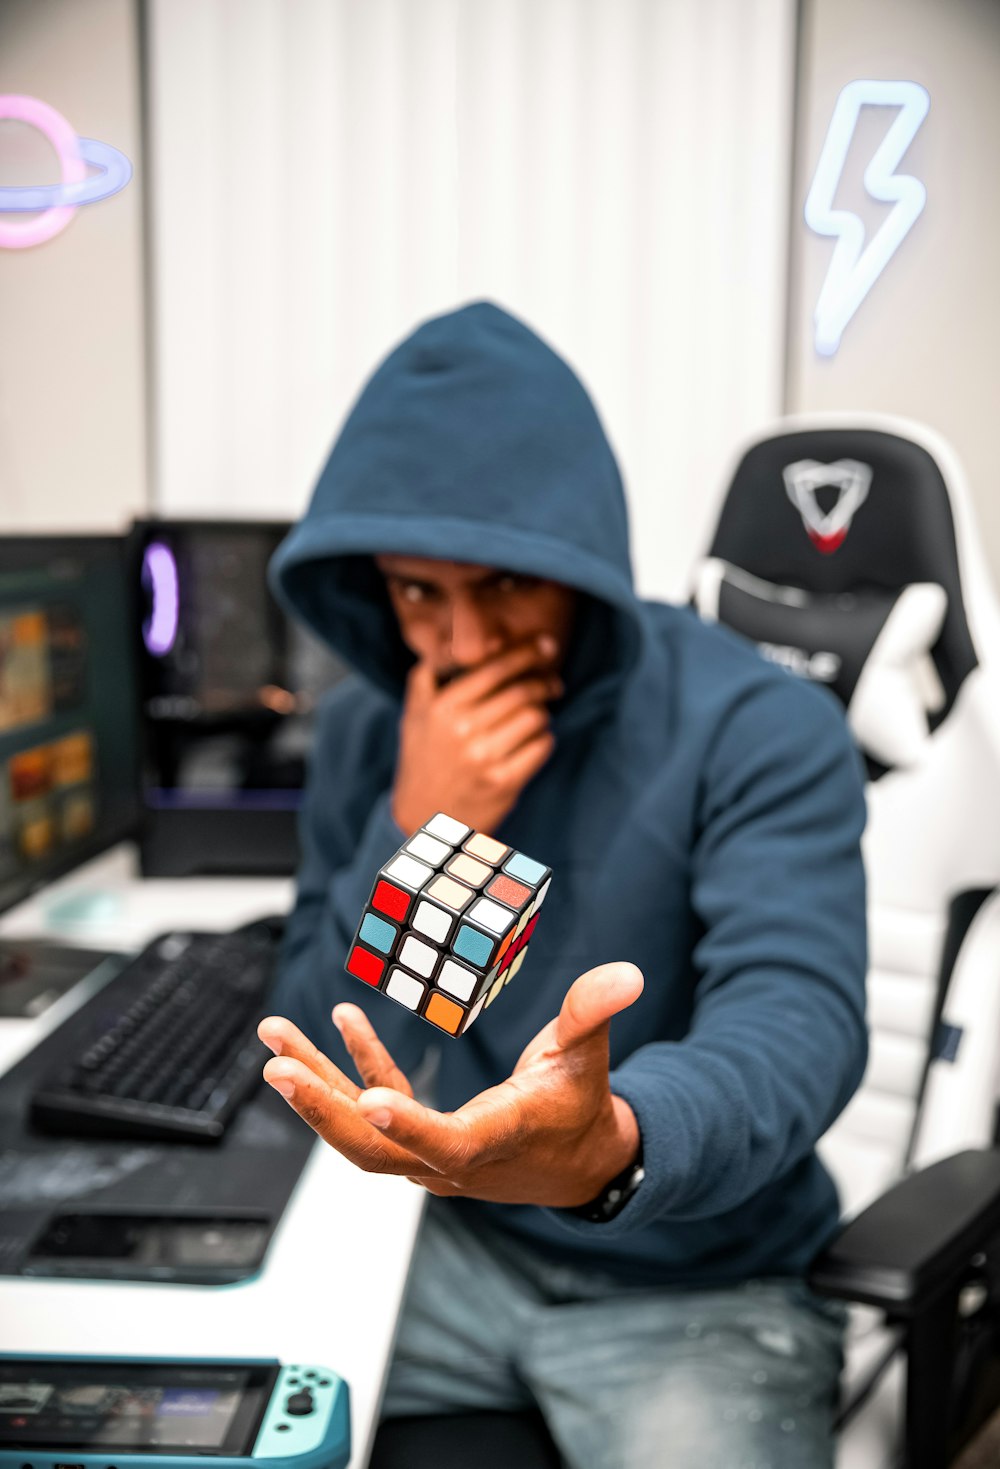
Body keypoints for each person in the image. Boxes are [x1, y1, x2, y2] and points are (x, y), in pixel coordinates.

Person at [260, 301, 868, 1468]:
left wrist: (616, 1144)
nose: (461, 644)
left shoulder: (755, 725)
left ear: (577, 567)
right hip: (449, 1244)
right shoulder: (371, 735)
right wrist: (422, 830)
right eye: (415, 591)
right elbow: (321, 1056)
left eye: (503, 587)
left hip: (697, 1281)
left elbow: (797, 1015)